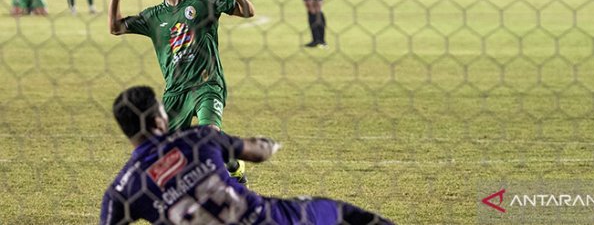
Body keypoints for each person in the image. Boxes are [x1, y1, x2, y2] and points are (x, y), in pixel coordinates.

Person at [100, 85, 395, 225]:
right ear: (159, 121)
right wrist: (272, 144)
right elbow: (256, 152)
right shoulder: (196, 138)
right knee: (341, 214)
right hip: (269, 220)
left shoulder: (122, 191)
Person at [108, 0, 255, 182]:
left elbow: (247, 12)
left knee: (208, 137)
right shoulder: (153, 17)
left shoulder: (205, 0)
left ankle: (230, 178)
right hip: (176, 92)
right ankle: (233, 163)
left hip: (207, 84)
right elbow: (116, 28)